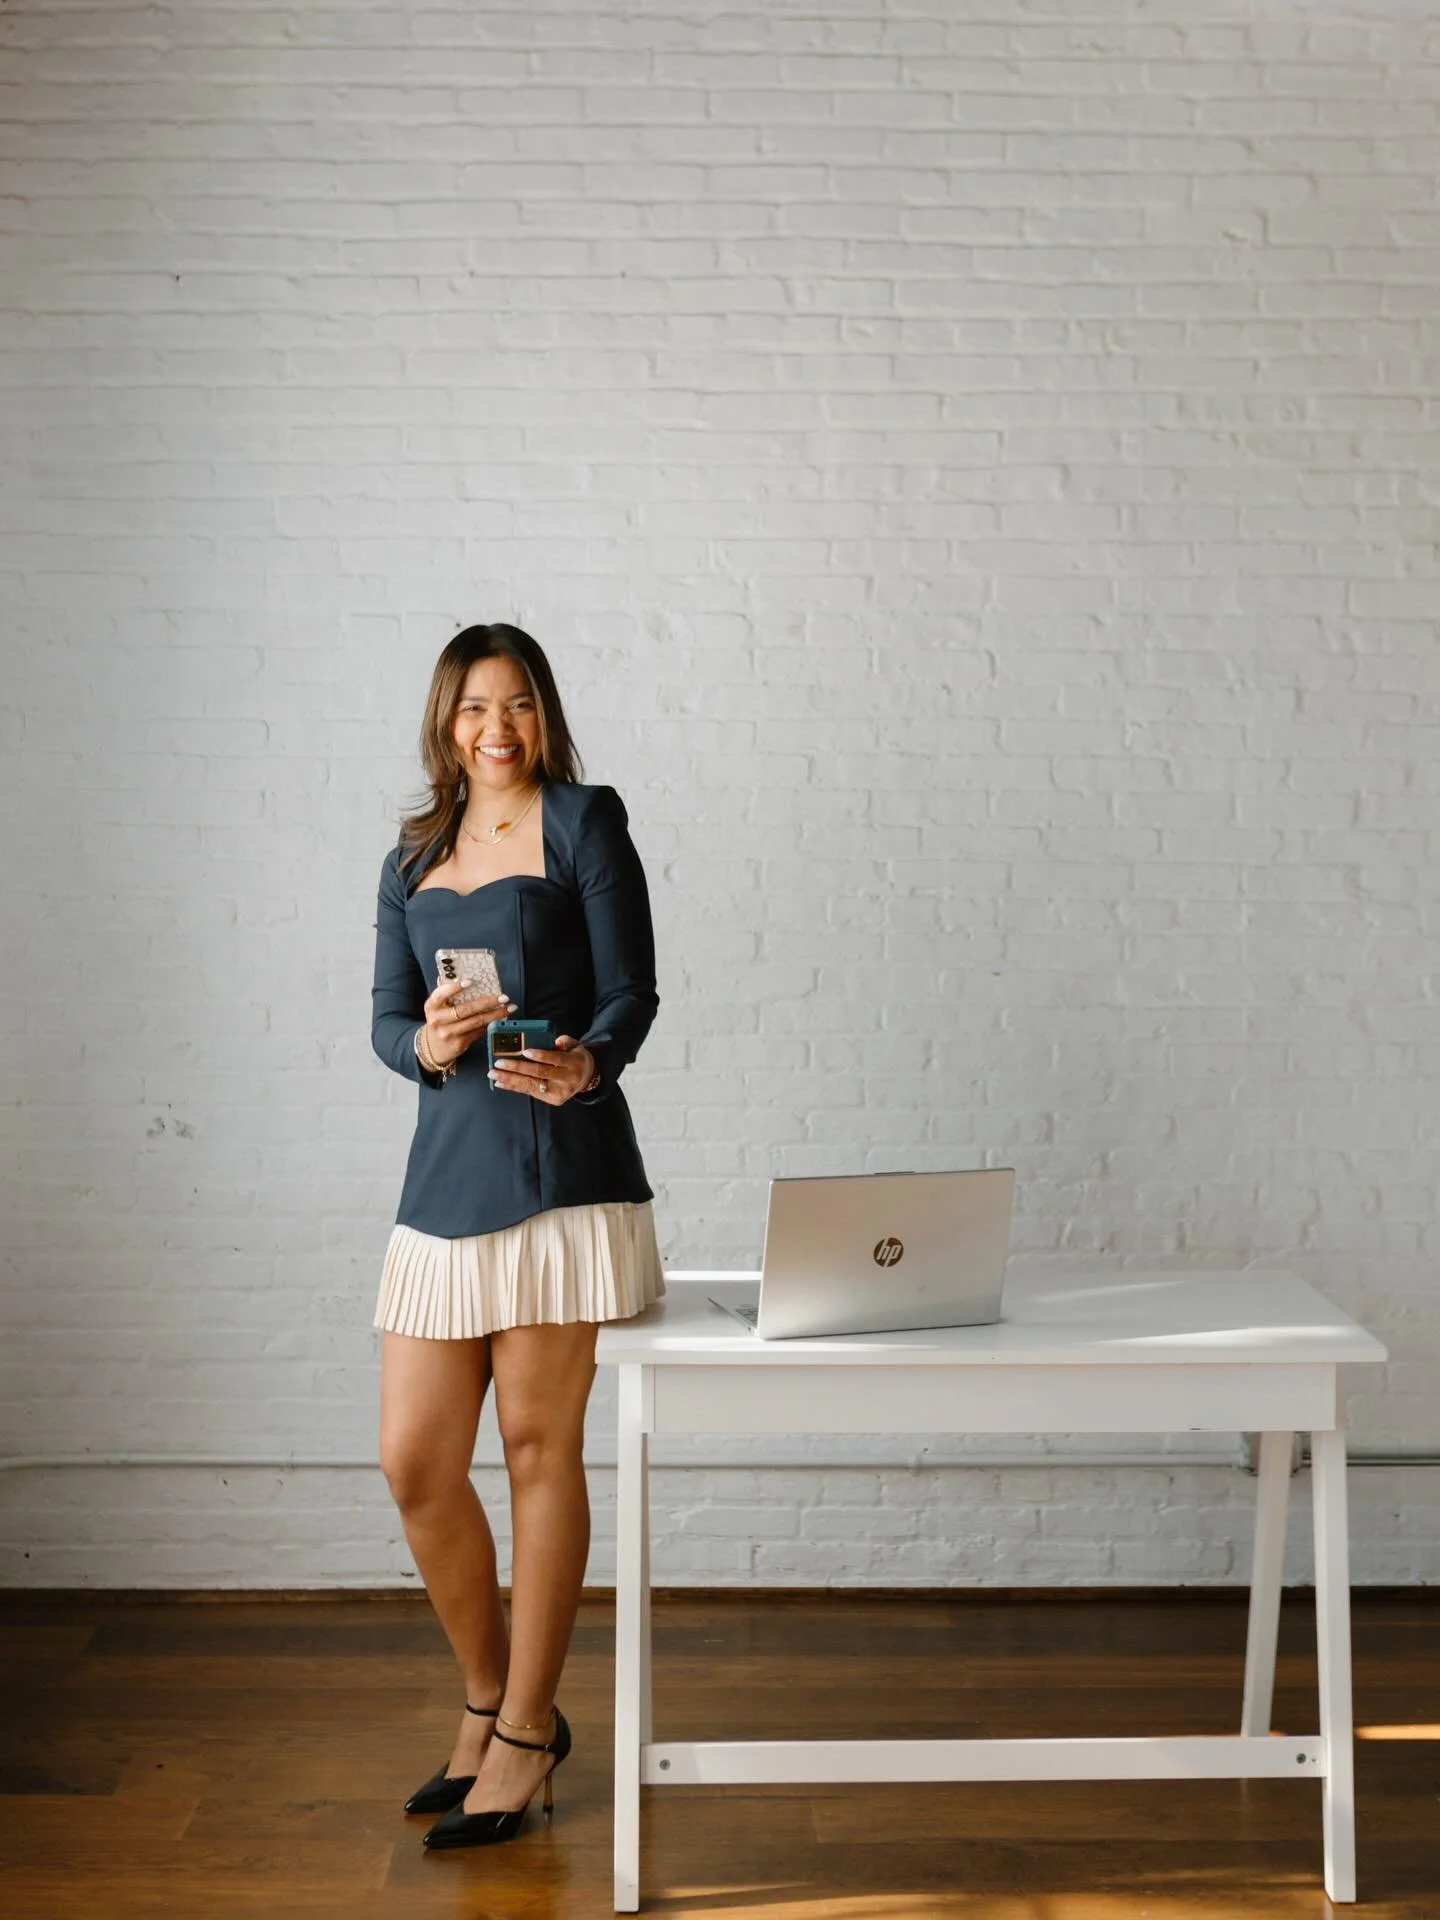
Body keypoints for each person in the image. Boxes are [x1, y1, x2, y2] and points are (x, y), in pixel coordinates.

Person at [369, 621, 665, 1851]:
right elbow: (388, 1023)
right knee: (415, 1461)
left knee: (541, 1454)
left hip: (564, 1175)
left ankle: (531, 1729)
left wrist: (587, 1060)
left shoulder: (585, 822)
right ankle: (489, 1698)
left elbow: (631, 989)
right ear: (447, 722)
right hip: (448, 1178)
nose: (498, 728)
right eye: (475, 707)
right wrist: (431, 1045)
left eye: (520, 704)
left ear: (543, 715)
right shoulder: (411, 854)